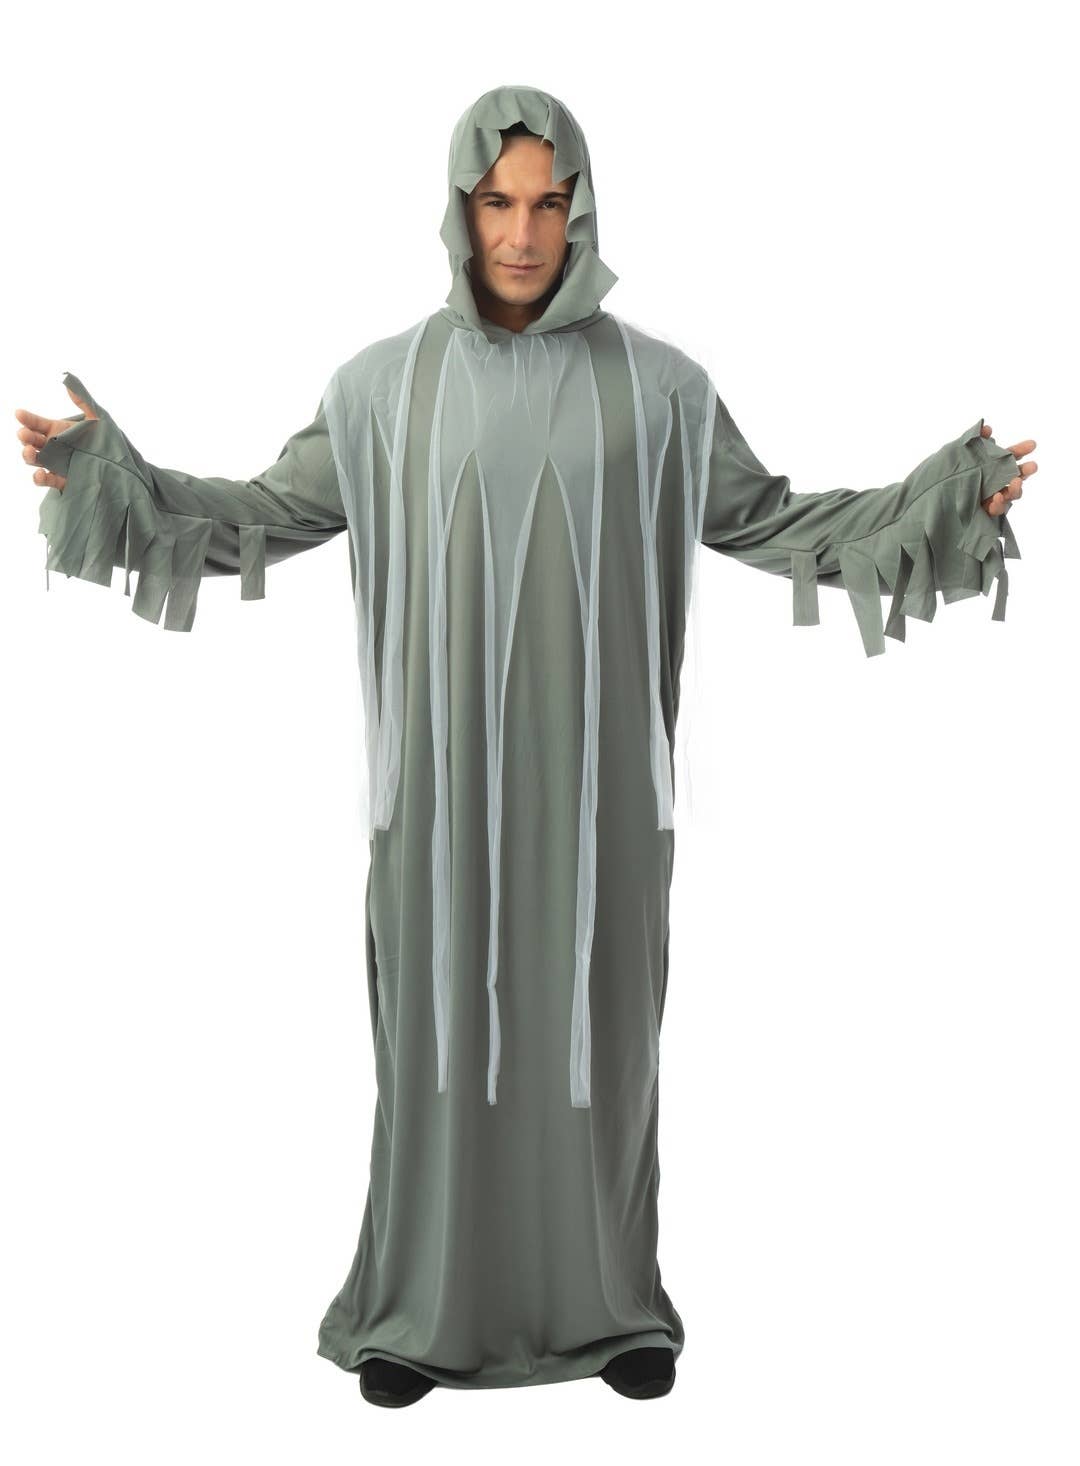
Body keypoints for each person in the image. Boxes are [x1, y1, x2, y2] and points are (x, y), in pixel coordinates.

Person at [17, 84, 1036, 1408]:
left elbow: (775, 520)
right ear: (459, 208)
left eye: (548, 203)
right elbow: (266, 513)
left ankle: (612, 1308)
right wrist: (113, 478)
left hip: (605, 806)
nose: (520, 232)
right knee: (439, 1036)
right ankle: (416, 1312)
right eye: (497, 201)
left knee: (598, 1044)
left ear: (582, 212)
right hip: (436, 803)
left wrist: (945, 502)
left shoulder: (661, 390)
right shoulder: (379, 390)